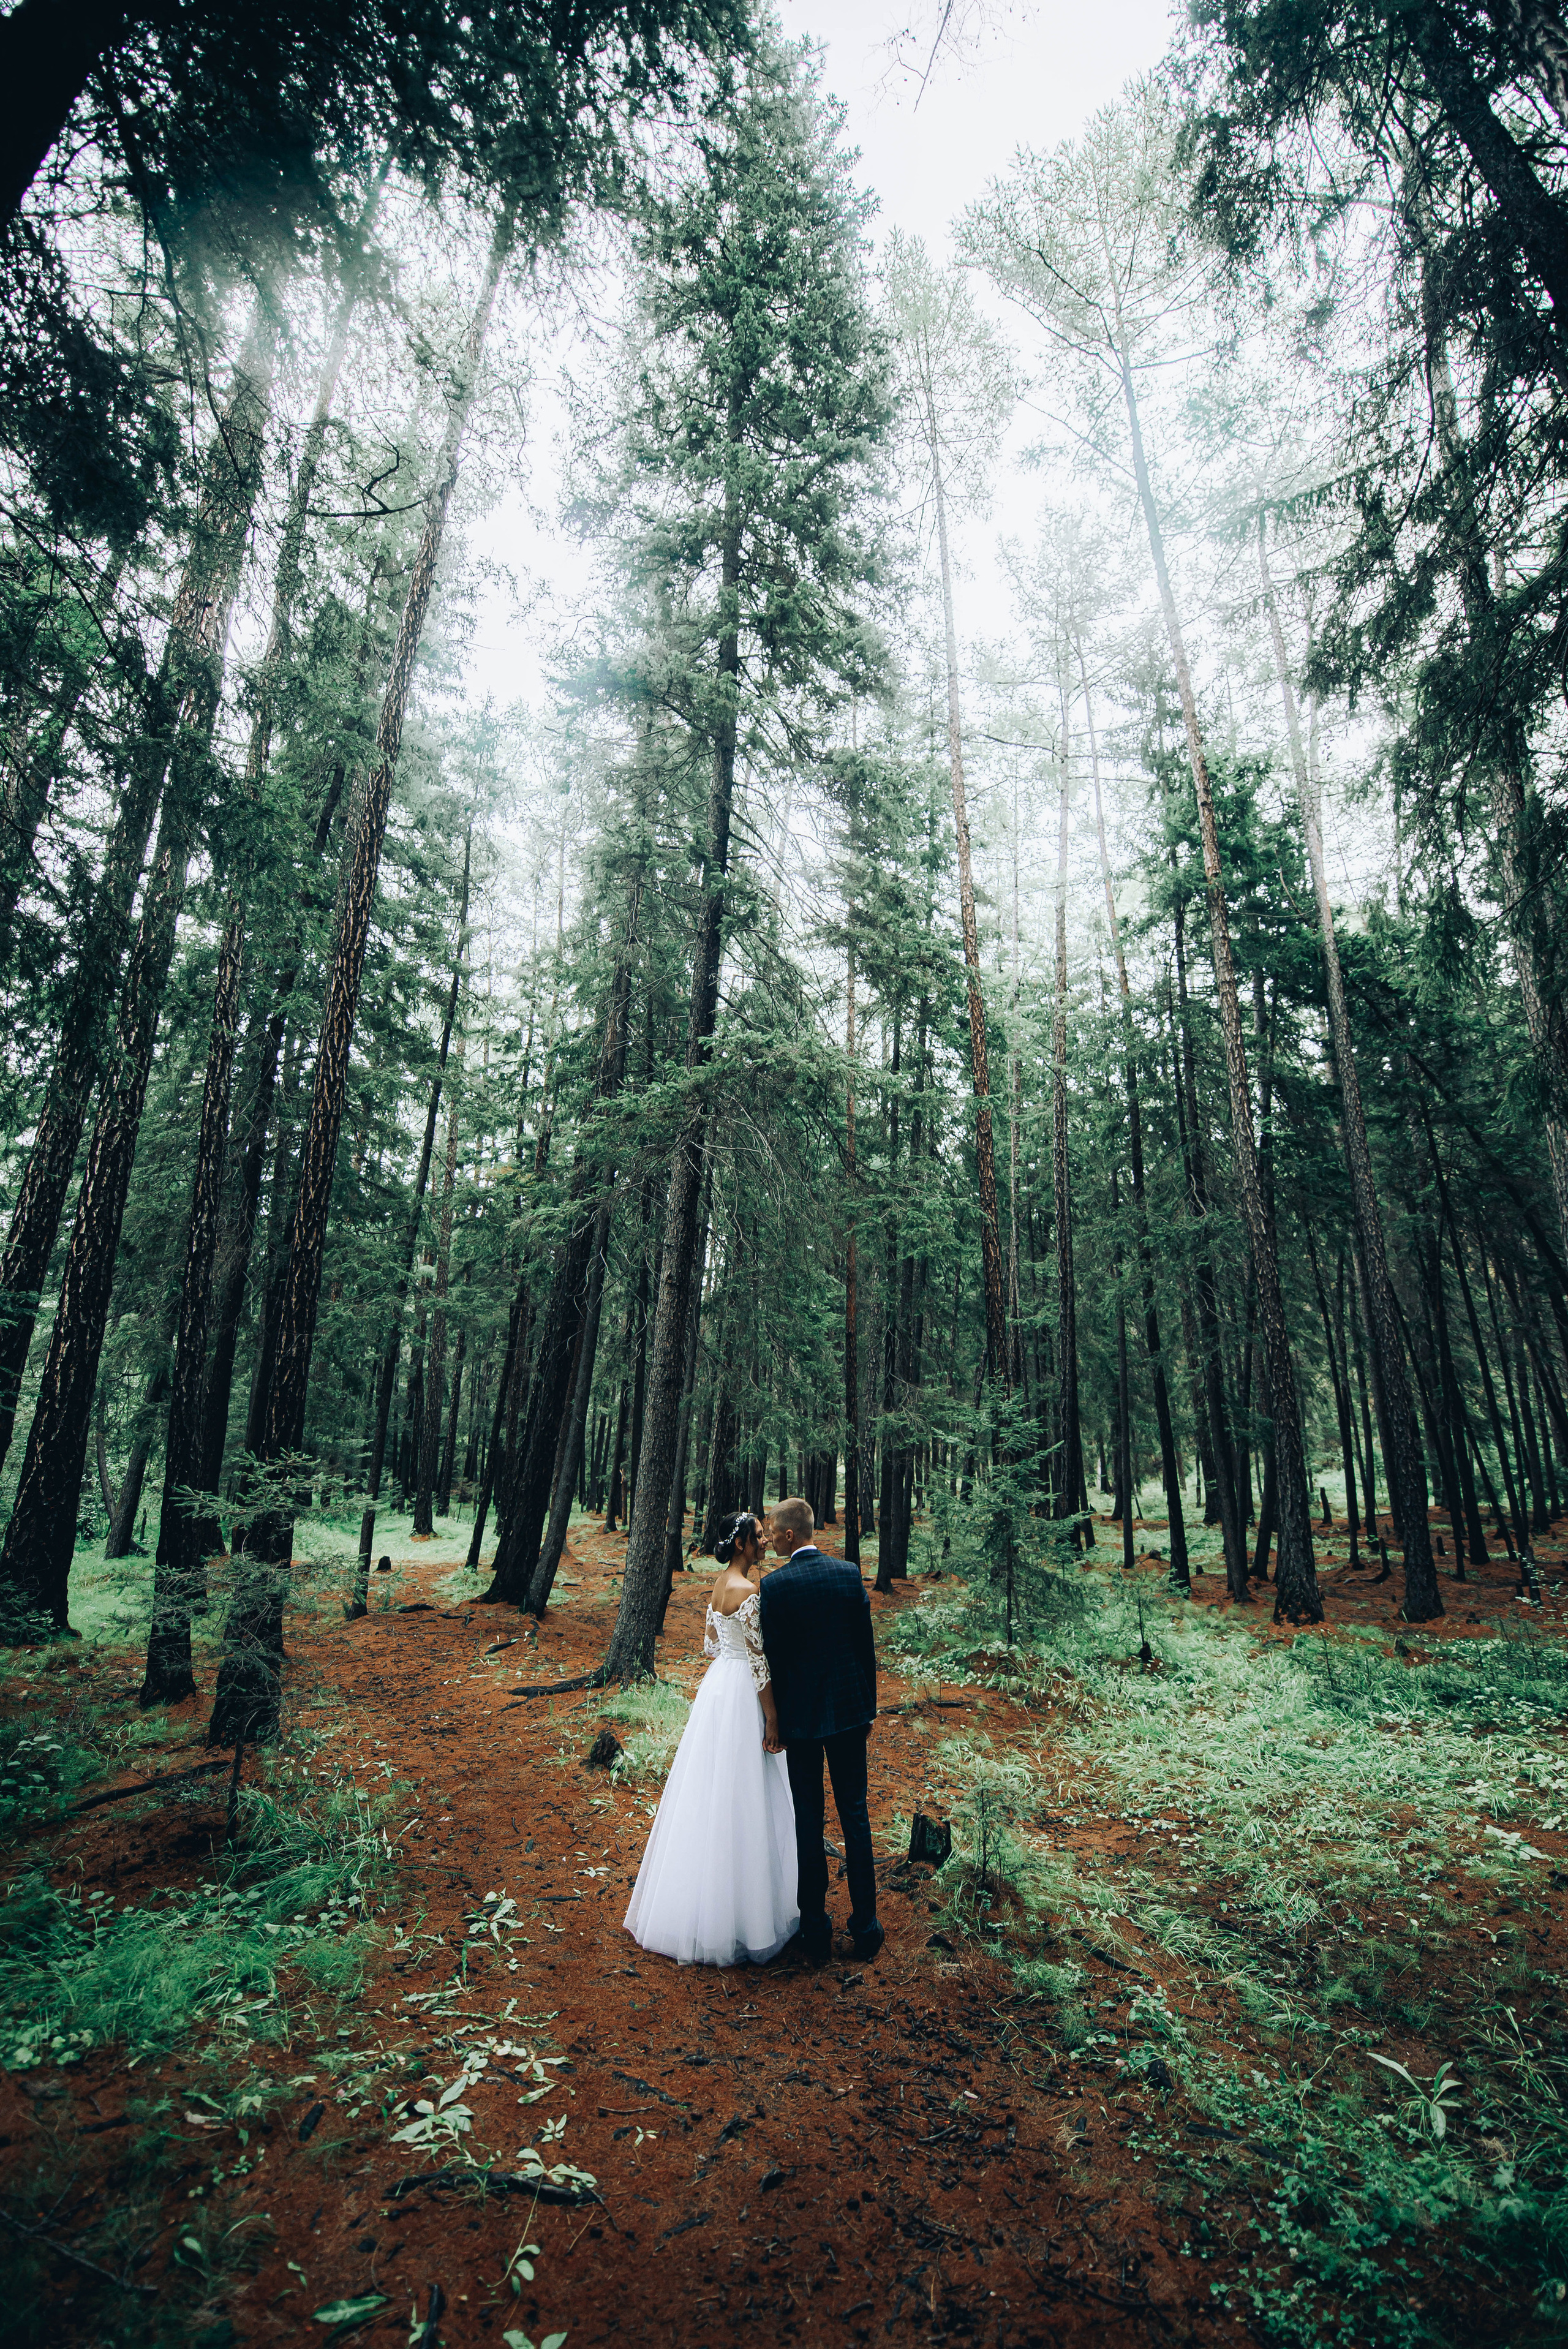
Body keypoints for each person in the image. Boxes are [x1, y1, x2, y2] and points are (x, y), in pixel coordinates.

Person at [623, 1509, 799, 1967]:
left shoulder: (720, 1586)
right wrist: (774, 1718)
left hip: (718, 1688)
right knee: (746, 1795)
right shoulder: (750, 1591)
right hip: (743, 1692)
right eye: (759, 1537)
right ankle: (747, 1915)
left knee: (711, 1793)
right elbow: (760, 1663)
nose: (764, 1543)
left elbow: (710, 1645)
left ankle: (701, 1906)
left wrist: (731, 1660)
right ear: (741, 1543)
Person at [758, 1496, 883, 1964]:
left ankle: (815, 1932)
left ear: (791, 1535)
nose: (768, 1536)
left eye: (772, 1530)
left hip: (804, 1723)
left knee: (808, 1822)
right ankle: (866, 1928)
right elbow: (864, 1649)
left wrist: (779, 1719)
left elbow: (773, 1657)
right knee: (856, 1816)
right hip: (850, 1715)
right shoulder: (848, 1573)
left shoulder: (776, 1587)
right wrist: (867, 1710)